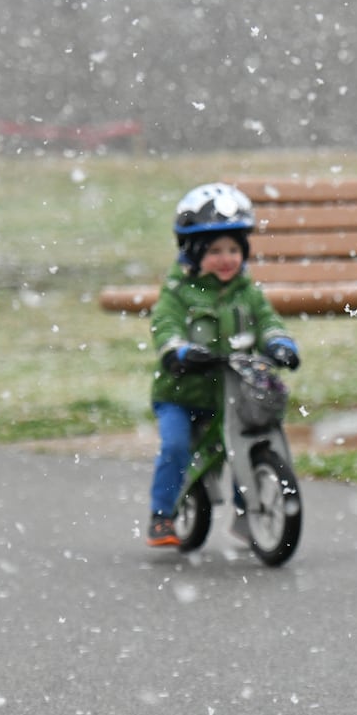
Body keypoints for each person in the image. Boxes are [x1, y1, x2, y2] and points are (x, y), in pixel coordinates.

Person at [144, 182, 300, 547]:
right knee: (176, 445)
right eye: (215, 250)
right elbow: (164, 324)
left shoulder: (246, 291)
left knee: (249, 440)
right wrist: (178, 351)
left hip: (232, 394)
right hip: (181, 393)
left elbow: (267, 320)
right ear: (193, 253)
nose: (227, 258)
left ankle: (249, 513)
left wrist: (280, 343)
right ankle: (162, 514)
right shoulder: (178, 292)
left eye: (233, 249)